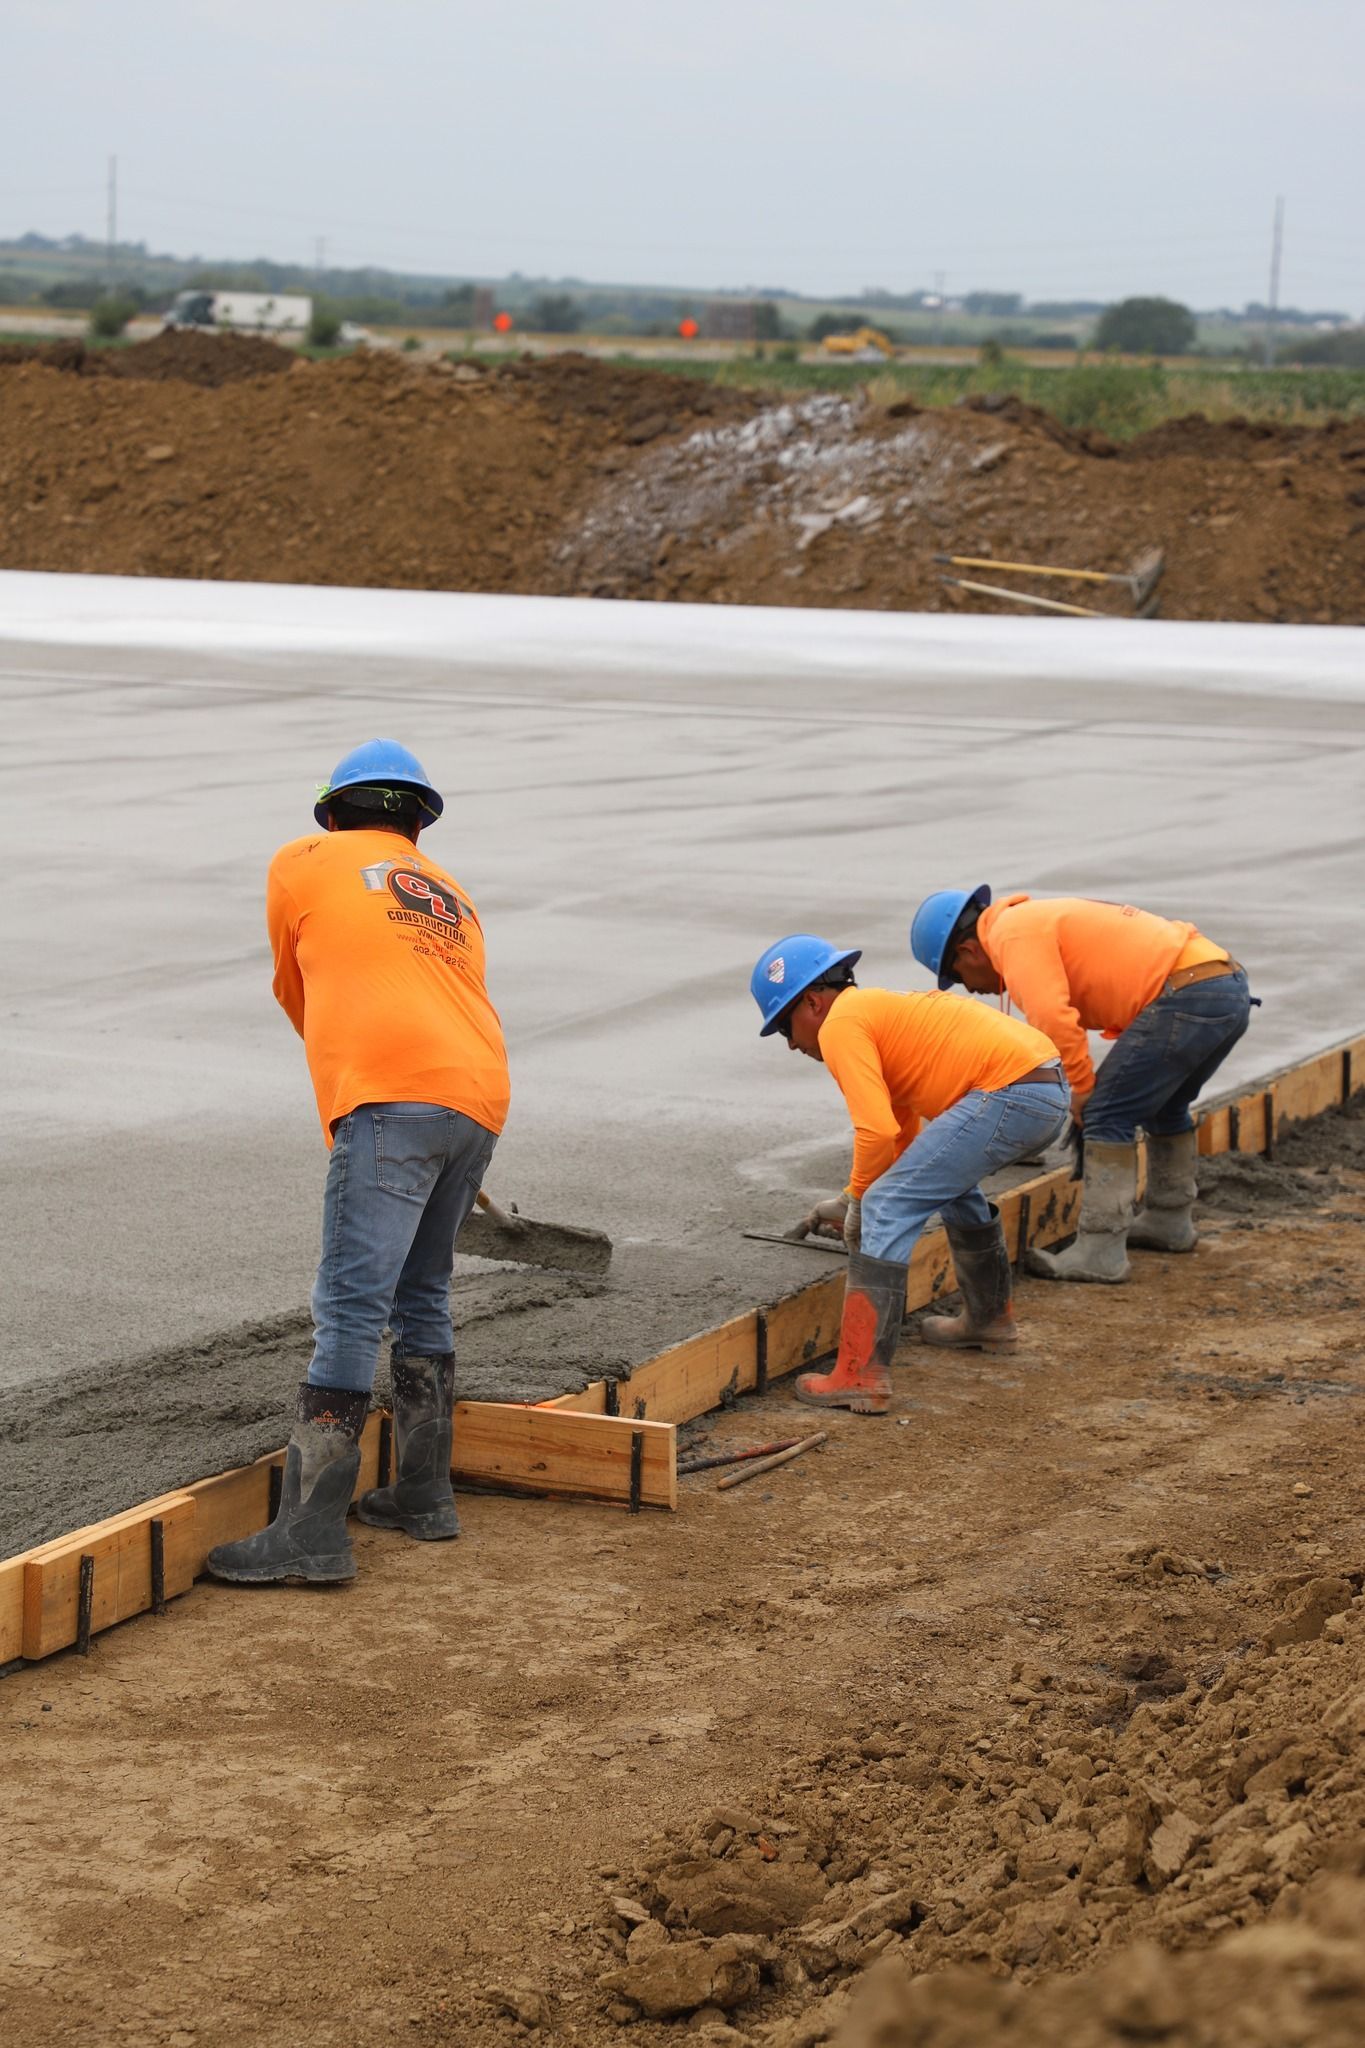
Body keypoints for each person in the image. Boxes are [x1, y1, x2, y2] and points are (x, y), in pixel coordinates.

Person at [207, 739, 511, 1587]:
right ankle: (422, 1495)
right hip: (477, 1093)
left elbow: (295, 985)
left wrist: (358, 1091)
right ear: (416, 822)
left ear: (333, 812)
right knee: (423, 1295)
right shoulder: (451, 893)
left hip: (390, 1095)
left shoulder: (302, 858)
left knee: (349, 1306)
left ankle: (309, 1533)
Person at [750, 935, 1068, 1414]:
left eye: (784, 1028)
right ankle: (989, 1322)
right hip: (1040, 1086)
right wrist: (847, 1197)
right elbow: (900, 1131)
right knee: (951, 1188)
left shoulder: (841, 1026)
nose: (792, 1045)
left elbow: (874, 1131)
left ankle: (860, 1375)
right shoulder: (875, 1014)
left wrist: (862, 1201)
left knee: (886, 1205)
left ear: (813, 1002)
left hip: (1011, 1092)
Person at [909, 886, 1254, 1284]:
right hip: (1223, 987)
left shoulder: (1012, 934)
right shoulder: (1029, 922)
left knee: (1105, 1113)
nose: (970, 989)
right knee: (1165, 1107)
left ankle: (1101, 1252)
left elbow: (1052, 1018)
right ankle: (1169, 1220)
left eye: (959, 978)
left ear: (968, 952)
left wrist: (1081, 1088)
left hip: (1188, 994)